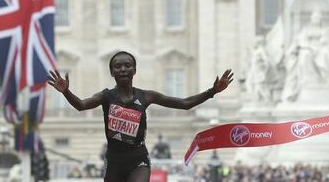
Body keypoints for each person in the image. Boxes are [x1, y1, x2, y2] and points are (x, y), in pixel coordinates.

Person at [47, 51, 234, 182]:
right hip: (114, 161)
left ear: (134, 71)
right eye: (117, 66)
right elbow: (81, 105)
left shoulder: (146, 96)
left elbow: (184, 104)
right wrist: (66, 92)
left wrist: (212, 91)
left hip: (138, 159)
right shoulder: (106, 96)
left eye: (127, 66)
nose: (122, 69)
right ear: (112, 72)